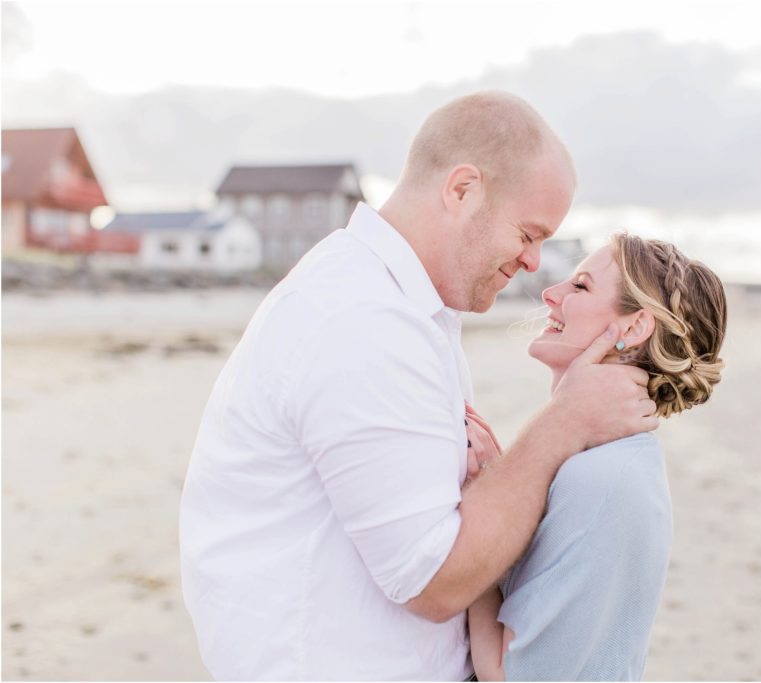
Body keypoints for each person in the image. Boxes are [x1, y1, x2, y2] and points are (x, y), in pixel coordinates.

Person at [178, 92, 658, 681]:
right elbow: (430, 581)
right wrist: (563, 426)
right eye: (528, 233)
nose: (536, 264)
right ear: (462, 190)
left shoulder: (410, 310)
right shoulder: (363, 319)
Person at [466, 233, 728, 681]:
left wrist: (478, 504)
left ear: (631, 329)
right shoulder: (606, 460)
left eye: (581, 286)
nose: (550, 293)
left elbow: (512, 673)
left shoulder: (602, 478)